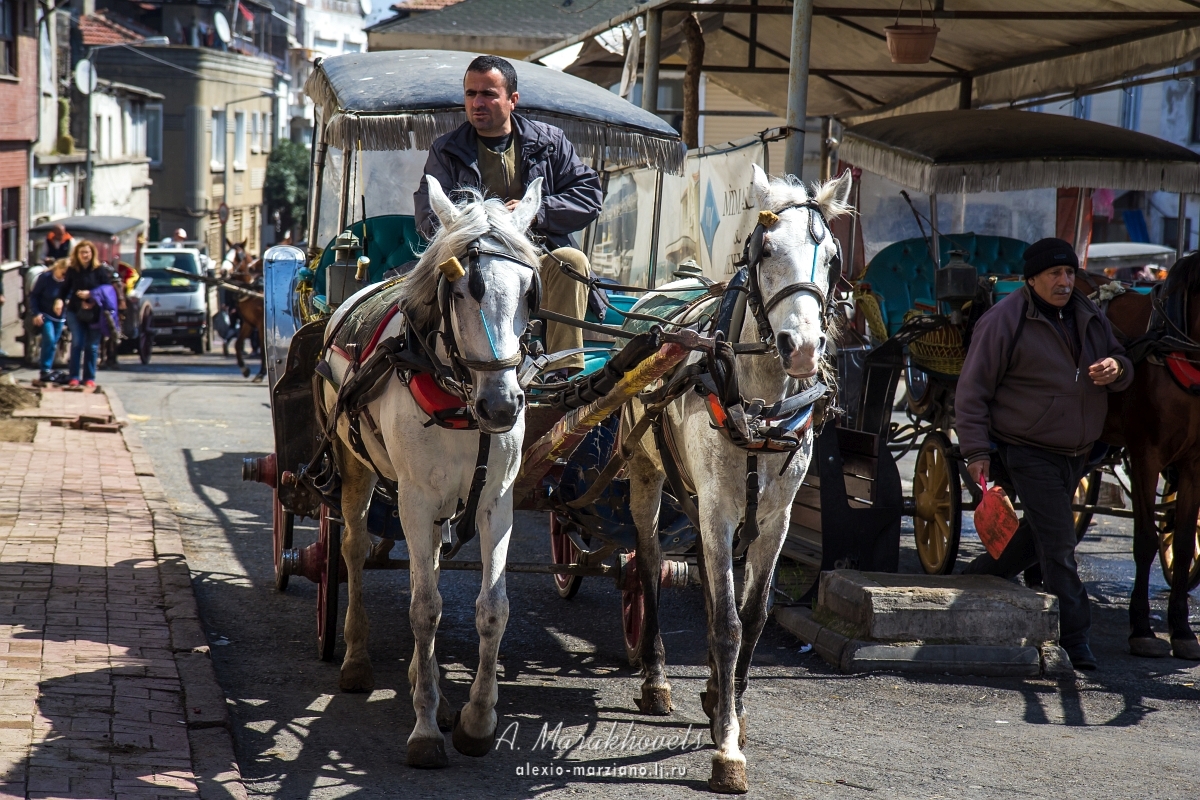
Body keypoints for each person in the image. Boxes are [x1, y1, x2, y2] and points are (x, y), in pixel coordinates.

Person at [956, 237, 1134, 671]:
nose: (1065, 281)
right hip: (1026, 448)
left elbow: (1123, 363)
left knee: (1040, 534)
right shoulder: (1004, 320)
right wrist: (976, 449)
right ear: (1031, 278)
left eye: (1070, 273)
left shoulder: (1090, 315)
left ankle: (979, 575)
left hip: (1078, 450)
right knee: (1059, 543)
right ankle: (1076, 637)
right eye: (1055, 274)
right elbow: (973, 390)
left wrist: (1117, 369)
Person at [413, 55, 604, 375]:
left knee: (573, 260)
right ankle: (438, 365)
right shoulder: (445, 150)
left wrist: (537, 213)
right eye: (470, 94)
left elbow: (588, 195)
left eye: (488, 93)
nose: (477, 102)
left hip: (533, 258)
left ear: (513, 99)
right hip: (470, 260)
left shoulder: (550, 143)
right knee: (429, 283)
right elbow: (427, 214)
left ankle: (561, 370)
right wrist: (471, 227)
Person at [60, 240, 114, 388]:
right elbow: (64, 289)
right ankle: (74, 377)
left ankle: (89, 378)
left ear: (92, 254)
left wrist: (91, 295)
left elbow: (107, 291)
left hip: (95, 314)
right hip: (75, 311)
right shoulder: (72, 270)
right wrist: (59, 300)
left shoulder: (99, 270)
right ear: (77, 254)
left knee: (92, 346)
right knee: (77, 343)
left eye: (88, 252)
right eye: (82, 252)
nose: (85, 255)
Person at [29, 258, 69, 383]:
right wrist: (36, 313)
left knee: (53, 343)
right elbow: (34, 296)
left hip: (60, 316)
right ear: (57, 268)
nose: (65, 276)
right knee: (49, 338)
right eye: (63, 272)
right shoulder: (46, 278)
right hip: (45, 314)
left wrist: (64, 300)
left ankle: (47, 368)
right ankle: (45, 369)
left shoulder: (67, 281)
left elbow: (70, 293)